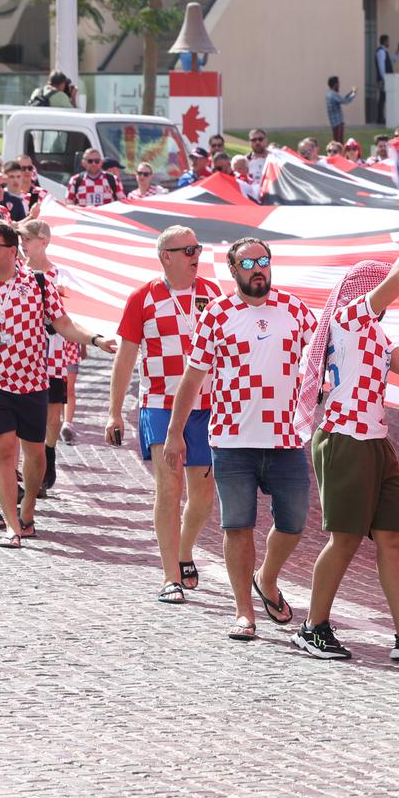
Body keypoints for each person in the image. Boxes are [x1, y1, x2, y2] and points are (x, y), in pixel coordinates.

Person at [293, 216, 399, 668]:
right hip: (345, 439)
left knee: (392, 538)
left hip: (374, 439)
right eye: (376, 288)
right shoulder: (351, 316)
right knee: (346, 538)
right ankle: (313, 627)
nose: (386, 296)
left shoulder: (370, 330)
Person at [165, 237, 316, 641]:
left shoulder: (296, 310)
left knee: (294, 521)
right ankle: (243, 611)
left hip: (285, 438)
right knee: (237, 526)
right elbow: (193, 377)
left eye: (264, 260)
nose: (258, 268)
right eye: (248, 263)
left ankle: (266, 578)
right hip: (231, 439)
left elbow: (324, 357)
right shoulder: (216, 314)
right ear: (233, 270)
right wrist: (175, 433)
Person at [0, 220, 114, 548]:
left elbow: (63, 324)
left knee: (35, 455)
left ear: (12, 251)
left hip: (33, 382)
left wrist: (95, 339)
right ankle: (12, 524)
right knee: (4, 450)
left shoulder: (39, 284)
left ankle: (28, 507)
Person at [106, 225, 222, 603]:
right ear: (165, 256)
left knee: (203, 497)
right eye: (187, 250)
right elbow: (124, 359)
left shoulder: (212, 293)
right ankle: (170, 575)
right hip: (158, 405)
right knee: (170, 488)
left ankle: (185, 551)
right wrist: (114, 412)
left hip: (205, 407)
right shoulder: (142, 298)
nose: (195, 256)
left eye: (197, 248)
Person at [15, 219, 78, 498]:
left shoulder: (60, 274)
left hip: (54, 351)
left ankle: (48, 455)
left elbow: (71, 313)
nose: (23, 244)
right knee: (25, 410)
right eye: (21, 239)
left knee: (53, 414)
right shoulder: (17, 273)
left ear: (43, 241)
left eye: (27, 238)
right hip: (24, 351)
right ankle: (29, 463)